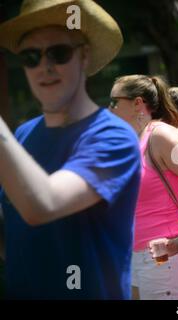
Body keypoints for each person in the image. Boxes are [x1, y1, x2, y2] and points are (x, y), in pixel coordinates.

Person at [0, 0, 141, 299]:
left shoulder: (114, 137)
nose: (45, 66)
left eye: (59, 53)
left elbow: (43, 205)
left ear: (84, 56)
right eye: (31, 57)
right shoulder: (23, 134)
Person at [109, 75, 178, 300]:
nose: (109, 108)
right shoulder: (137, 139)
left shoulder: (161, 135)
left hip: (165, 254)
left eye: (114, 101)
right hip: (138, 255)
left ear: (137, 103)